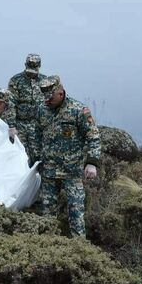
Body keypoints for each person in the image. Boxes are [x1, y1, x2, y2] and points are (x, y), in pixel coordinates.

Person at [36, 75, 101, 237]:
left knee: (76, 212)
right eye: (44, 97)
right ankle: (47, 248)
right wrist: (35, 159)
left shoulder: (78, 110)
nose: (46, 101)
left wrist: (92, 162)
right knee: (47, 214)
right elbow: (37, 135)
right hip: (49, 172)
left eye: (50, 97)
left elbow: (93, 136)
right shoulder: (42, 110)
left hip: (71, 171)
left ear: (60, 92)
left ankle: (79, 250)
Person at [2, 53, 47, 165]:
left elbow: (49, 103)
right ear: (25, 65)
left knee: (38, 157)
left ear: (39, 66)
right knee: (20, 156)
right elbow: (11, 104)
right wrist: (11, 125)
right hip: (20, 125)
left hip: (38, 126)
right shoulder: (16, 80)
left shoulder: (45, 81)